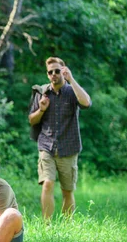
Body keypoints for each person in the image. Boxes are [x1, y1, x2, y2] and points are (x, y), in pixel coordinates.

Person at [28, 57, 92, 220]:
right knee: (47, 183)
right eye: (51, 72)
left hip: (69, 147)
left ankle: (66, 226)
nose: (54, 74)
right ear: (47, 75)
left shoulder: (72, 91)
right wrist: (41, 110)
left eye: (57, 71)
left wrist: (72, 80)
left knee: (67, 191)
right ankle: (46, 225)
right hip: (46, 146)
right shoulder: (42, 92)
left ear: (64, 71)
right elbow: (31, 120)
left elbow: (86, 103)